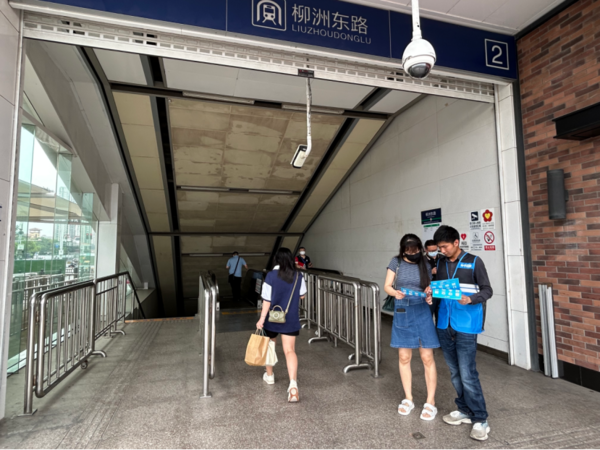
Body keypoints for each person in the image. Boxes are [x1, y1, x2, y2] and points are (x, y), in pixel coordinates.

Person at [432, 225, 493, 441]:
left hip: (466, 324)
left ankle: (480, 419)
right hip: (444, 323)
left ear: (456, 242)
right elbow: (439, 289)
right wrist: (431, 293)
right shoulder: (440, 263)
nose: (442, 251)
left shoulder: (474, 262)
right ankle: (464, 409)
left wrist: (471, 299)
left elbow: (487, 290)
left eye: (445, 247)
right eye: (439, 248)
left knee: (467, 373)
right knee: (455, 372)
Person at [383, 234, 439, 421]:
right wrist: (395, 293)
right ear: (403, 250)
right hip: (403, 309)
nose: (412, 253)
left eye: (415, 250)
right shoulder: (396, 262)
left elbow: (429, 288)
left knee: (427, 357)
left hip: (422, 309)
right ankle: (408, 398)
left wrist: (429, 295)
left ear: (420, 249)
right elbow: (387, 286)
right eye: (409, 251)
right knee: (404, 357)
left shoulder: (425, 263)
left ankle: (430, 401)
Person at [256, 248, 307, 402]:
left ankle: (270, 375)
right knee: (290, 350)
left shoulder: (271, 276)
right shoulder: (298, 275)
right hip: (290, 317)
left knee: (270, 346)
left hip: (272, 318)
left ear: (276, 260)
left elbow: (266, 300)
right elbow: (302, 296)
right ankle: (293, 385)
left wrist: (261, 319)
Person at [424, 239, 440, 320]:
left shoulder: (442, 258)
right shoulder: (422, 260)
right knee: (428, 315)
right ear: (426, 250)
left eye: (435, 250)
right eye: (431, 251)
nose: (434, 252)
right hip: (428, 292)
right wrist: (431, 272)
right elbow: (418, 275)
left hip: (441, 291)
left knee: (440, 316)